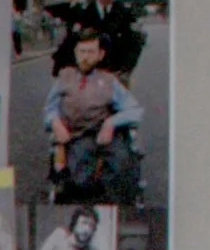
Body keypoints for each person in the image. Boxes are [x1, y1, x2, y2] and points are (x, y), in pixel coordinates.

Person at [46, 30, 144, 206]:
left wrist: (111, 122)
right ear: (75, 53)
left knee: (122, 167)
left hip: (106, 135)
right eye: (81, 52)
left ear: (100, 55)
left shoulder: (109, 80)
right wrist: (55, 122)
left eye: (90, 52)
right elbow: (50, 108)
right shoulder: (64, 77)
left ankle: (117, 208)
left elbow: (134, 109)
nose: (85, 57)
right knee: (79, 177)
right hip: (77, 135)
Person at [51, 0, 147, 80]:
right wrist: (62, 69)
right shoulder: (82, 13)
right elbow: (69, 42)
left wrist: (126, 70)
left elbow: (136, 43)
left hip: (116, 73)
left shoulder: (125, 14)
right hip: (86, 74)